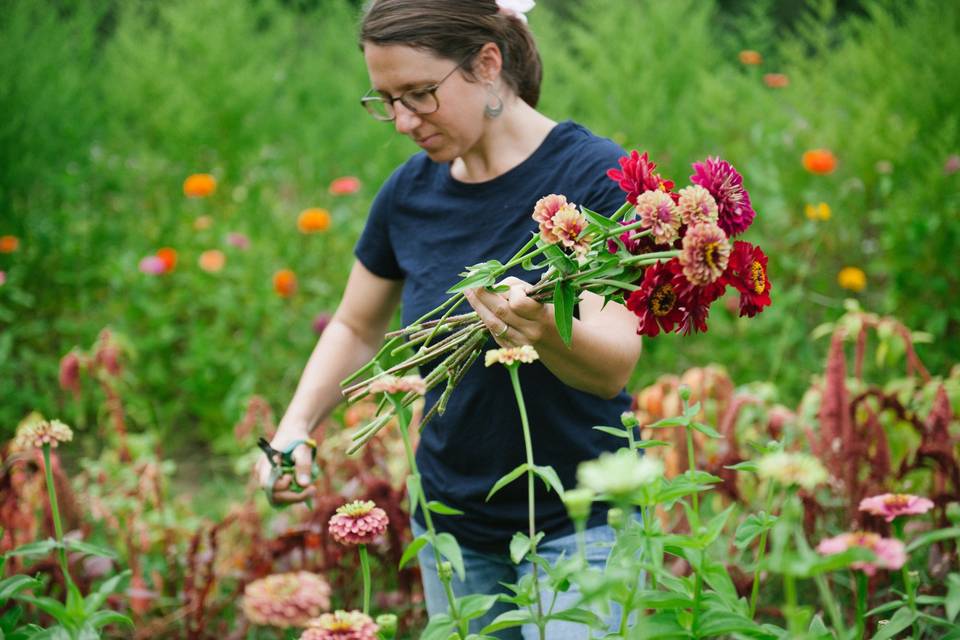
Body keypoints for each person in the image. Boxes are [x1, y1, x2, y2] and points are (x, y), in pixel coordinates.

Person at [256, 0, 644, 637]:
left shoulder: (591, 177)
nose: (403, 121)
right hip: (452, 530)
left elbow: (614, 365)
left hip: (582, 522)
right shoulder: (410, 194)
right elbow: (356, 326)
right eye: (385, 98)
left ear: (487, 64)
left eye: (419, 94)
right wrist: (295, 428)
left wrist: (544, 333)